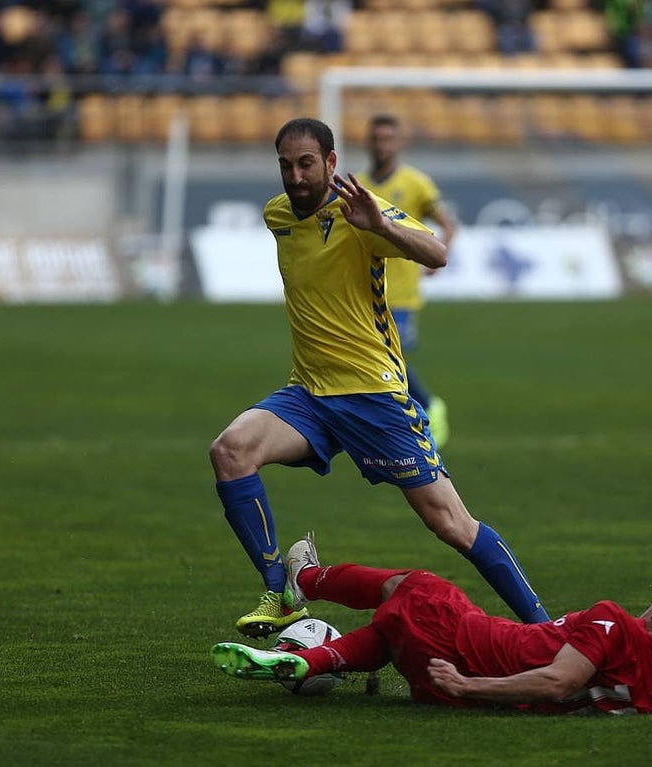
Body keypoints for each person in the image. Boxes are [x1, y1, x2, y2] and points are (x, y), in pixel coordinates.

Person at [210, 118, 548, 640]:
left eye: (306, 164)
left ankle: (545, 628)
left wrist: (381, 226)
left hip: (373, 396)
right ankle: (280, 591)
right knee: (231, 450)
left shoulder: (358, 212)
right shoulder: (277, 215)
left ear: (331, 163)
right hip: (309, 393)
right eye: (286, 165)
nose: (295, 176)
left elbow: (438, 251)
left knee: (451, 525)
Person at [212, 534, 652, 713]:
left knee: (412, 587)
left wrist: (469, 686)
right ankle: (310, 662)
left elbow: (557, 683)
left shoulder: (610, 623)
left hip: (467, 653)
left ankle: (306, 581)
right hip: (438, 681)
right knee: (388, 638)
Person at [356, 114, 460, 447]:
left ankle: (427, 407)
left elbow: (448, 224)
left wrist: (435, 261)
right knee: (371, 359)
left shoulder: (416, 183)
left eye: (388, 138)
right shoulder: (357, 184)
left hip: (401, 292)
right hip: (363, 291)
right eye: (376, 138)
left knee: (388, 358)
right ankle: (398, 418)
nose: (382, 144)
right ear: (368, 142)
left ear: (399, 142)